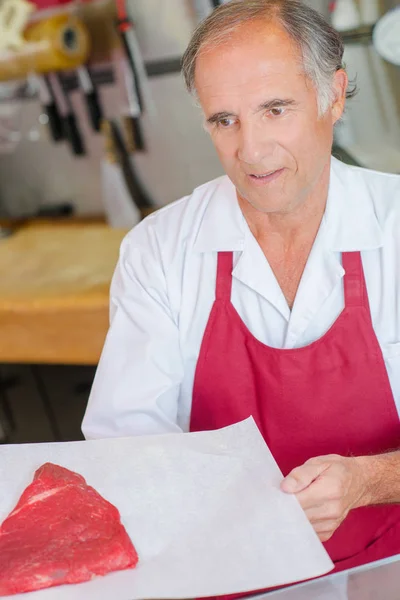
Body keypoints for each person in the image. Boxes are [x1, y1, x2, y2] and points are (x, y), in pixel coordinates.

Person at [82, 0, 400, 573]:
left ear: (333, 95)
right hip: (220, 568)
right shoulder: (159, 250)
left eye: (275, 109)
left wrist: (372, 480)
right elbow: (123, 446)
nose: (250, 151)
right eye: (224, 120)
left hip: (386, 565)